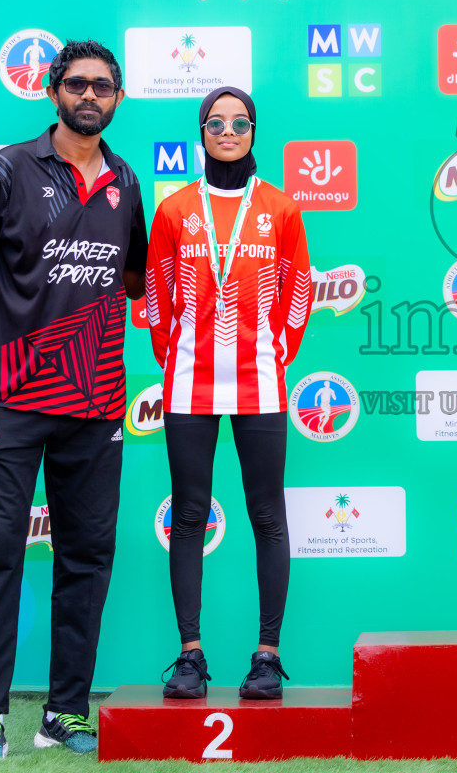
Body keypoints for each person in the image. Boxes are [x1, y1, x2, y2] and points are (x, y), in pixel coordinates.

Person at [0, 40, 147, 759]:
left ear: (117, 99)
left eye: (104, 86)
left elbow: (133, 282)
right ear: (52, 90)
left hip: (95, 405)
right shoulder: (8, 169)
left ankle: (65, 713)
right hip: (8, 402)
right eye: (78, 84)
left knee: (88, 557)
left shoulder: (126, 179)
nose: (91, 96)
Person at [147, 87, 312, 700]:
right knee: (188, 515)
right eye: (215, 122)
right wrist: (178, 359)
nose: (227, 130)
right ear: (201, 131)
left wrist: (270, 353)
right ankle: (191, 657)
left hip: (261, 382)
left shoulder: (281, 208)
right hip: (189, 381)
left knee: (268, 515)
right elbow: (158, 301)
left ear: (253, 132)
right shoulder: (174, 209)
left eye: (239, 121)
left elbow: (299, 295)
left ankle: (267, 656)